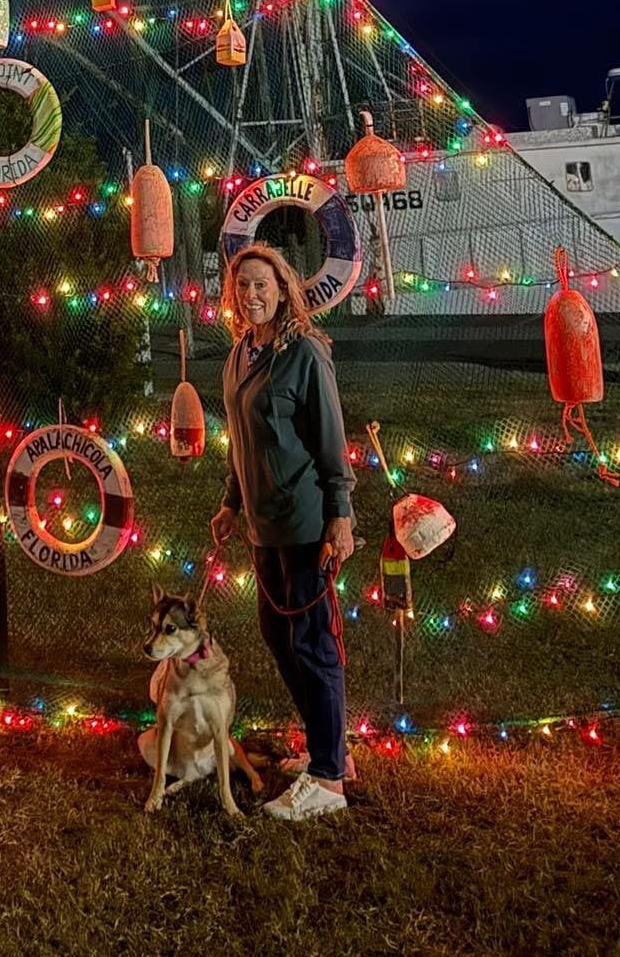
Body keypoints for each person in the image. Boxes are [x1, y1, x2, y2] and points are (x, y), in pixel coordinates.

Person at [210, 241, 355, 820]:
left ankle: (329, 780)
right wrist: (230, 503)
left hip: (305, 520)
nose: (252, 294)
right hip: (261, 524)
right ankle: (330, 749)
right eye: (243, 285)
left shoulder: (305, 354)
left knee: (311, 643)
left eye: (262, 285)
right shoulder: (239, 355)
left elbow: (331, 439)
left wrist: (340, 515)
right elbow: (240, 441)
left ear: (283, 290)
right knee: (278, 635)